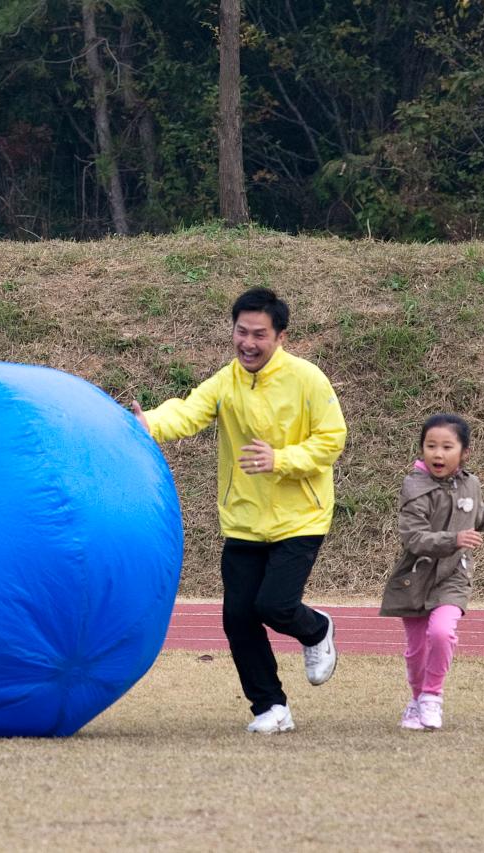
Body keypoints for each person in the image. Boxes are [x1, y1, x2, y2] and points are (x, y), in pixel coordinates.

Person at [133, 287, 347, 734]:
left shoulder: (308, 380)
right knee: (237, 617)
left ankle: (316, 630)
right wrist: (148, 424)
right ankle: (271, 707)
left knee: (275, 605)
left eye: (259, 335)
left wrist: (280, 460)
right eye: (241, 332)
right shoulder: (226, 381)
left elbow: (331, 440)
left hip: (300, 517)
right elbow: (187, 412)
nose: (248, 343)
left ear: (280, 336)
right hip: (245, 520)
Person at [380, 413, 484, 731]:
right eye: (431, 445)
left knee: (441, 632)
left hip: (454, 575)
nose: (438, 453)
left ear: (464, 452)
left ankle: (432, 697)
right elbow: (413, 537)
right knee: (416, 649)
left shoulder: (471, 483)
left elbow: (480, 513)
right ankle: (418, 699)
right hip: (415, 576)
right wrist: (454, 539)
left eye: (447, 447)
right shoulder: (414, 486)